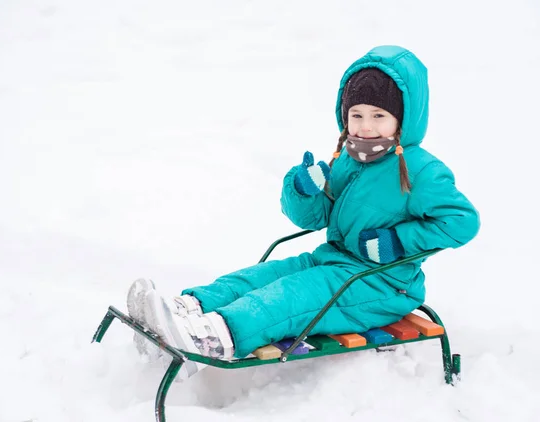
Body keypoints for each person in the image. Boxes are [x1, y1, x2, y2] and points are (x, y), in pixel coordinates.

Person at [127, 45, 480, 380]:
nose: (365, 126)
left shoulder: (420, 170)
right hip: (332, 261)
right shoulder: (349, 157)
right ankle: (186, 309)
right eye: (356, 115)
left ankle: (211, 338)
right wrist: (302, 190)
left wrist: (397, 242)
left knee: (289, 297)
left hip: (382, 284)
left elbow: (462, 221)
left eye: (378, 116)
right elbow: (313, 218)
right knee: (260, 277)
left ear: (402, 120)